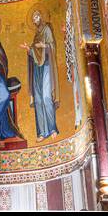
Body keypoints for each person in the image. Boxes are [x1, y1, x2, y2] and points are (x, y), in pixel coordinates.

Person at [23, 11, 60, 139]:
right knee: (38, 99)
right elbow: (34, 53)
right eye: (33, 18)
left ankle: (52, 128)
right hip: (37, 69)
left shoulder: (47, 29)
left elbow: (52, 46)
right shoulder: (36, 35)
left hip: (46, 66)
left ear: (41, 17)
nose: (35, 19)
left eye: (37, 16)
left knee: (46, 97)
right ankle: (42, 132)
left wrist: (44, 45)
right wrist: (29, 50)